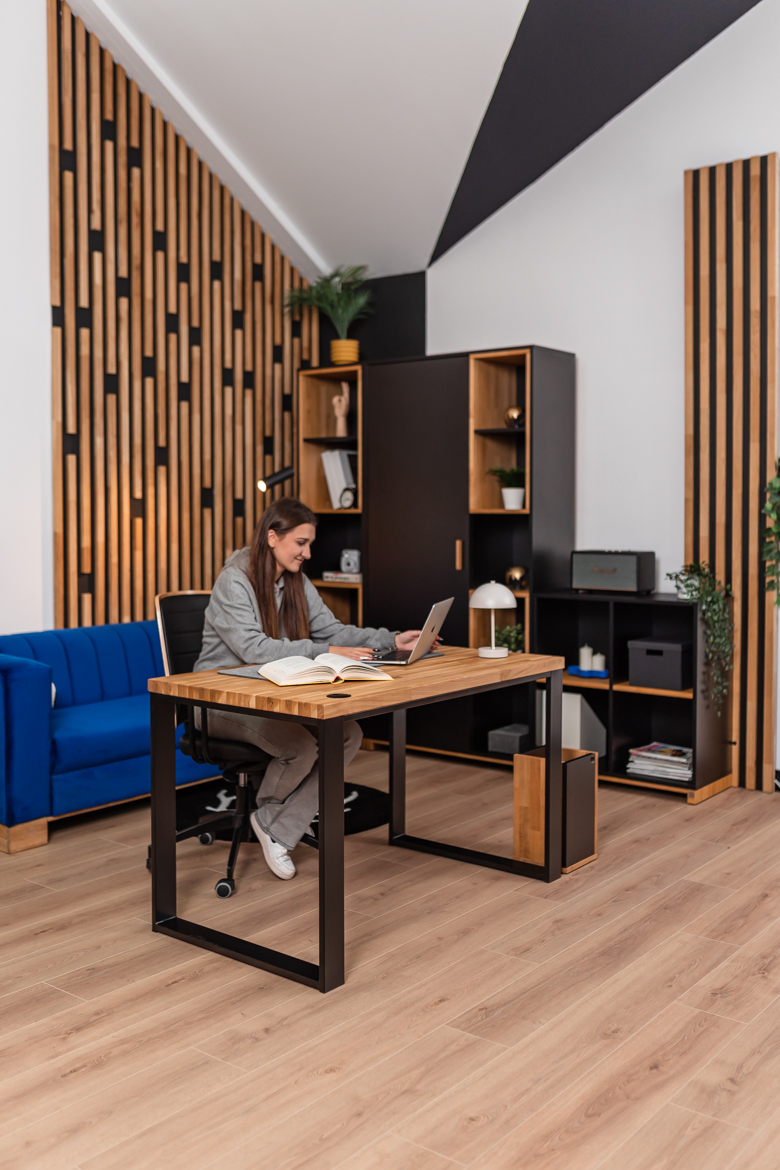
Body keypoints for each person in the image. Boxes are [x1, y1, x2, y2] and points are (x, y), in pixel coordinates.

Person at [193, 497, 422, 881]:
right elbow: (254, 650)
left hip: (268, 694)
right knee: (299, 746)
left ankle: (272, 822)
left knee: (347, 734)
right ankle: (277, 825)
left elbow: (334, 631)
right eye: (301, 543)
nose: (307, 553)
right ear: (272, 537)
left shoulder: (294, 579)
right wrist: (326, 650)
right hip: (218, 699)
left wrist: (392, 639)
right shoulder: (233, 581)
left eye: (309, 543)